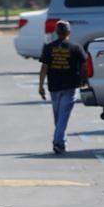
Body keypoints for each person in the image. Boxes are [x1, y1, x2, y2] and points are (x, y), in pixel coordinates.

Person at [38, 20, 86, 154]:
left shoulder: (49, 47)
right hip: (70, 86)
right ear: (69, 32)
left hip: (54, 87)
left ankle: (60, 142)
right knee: (62, 117)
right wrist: (83, 79)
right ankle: (59, 142)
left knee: (59, 117)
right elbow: (84, 65)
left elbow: (44, 68)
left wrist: (41, 85)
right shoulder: (76, 47)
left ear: (56, 32)